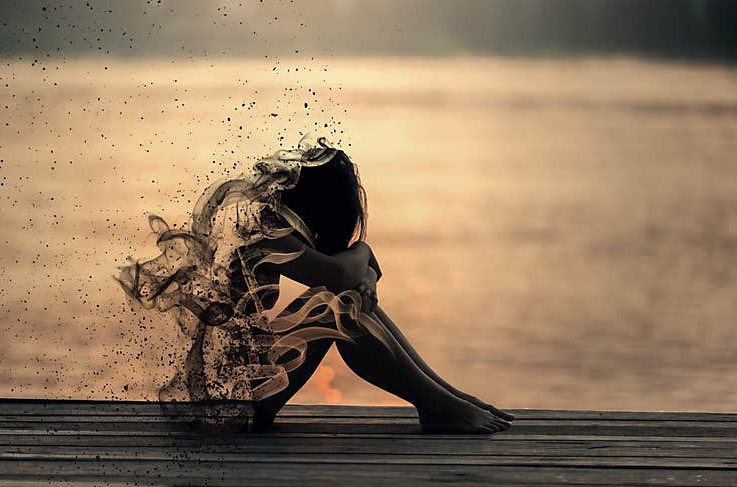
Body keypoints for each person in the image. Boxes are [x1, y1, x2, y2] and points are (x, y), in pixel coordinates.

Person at [116, 136, 512, 433]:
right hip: (228, 401)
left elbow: (352, 270)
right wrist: (365, 254)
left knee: (340, 299)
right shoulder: (265, 233)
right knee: (335, 306)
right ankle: (438, 405)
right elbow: (343, 273)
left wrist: (364, 271)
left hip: (239, 388)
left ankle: (443, 398)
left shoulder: (276, 225)